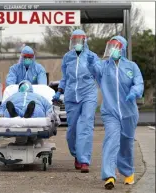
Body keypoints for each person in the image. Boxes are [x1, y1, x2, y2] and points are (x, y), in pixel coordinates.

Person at [87, 36, 144, 189]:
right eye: (111, 46)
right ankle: (109, 175)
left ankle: (128, 172)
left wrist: (135, 92)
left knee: (126, 143)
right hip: (110, 111)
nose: (113, 49)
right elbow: (94, 69)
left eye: (116, 46)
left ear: (122, 49)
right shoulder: (104, 66)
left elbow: (139, 82)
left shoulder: (131, 66)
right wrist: (91, 61)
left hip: (129, 112)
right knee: (111, 141)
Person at [52, 29, 99, 173]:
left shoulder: (92, 56)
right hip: (71, 95)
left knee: (85, 126)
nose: (77, 44)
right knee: (72, 130)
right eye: (75, 41)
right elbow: (65, 77)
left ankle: (84, 160)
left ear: (85, 42)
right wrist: (59, 90)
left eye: (80, 41)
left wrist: (94, 65)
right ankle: (77, 155)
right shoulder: (67, 57)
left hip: (88, 94)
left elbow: (99, 74)